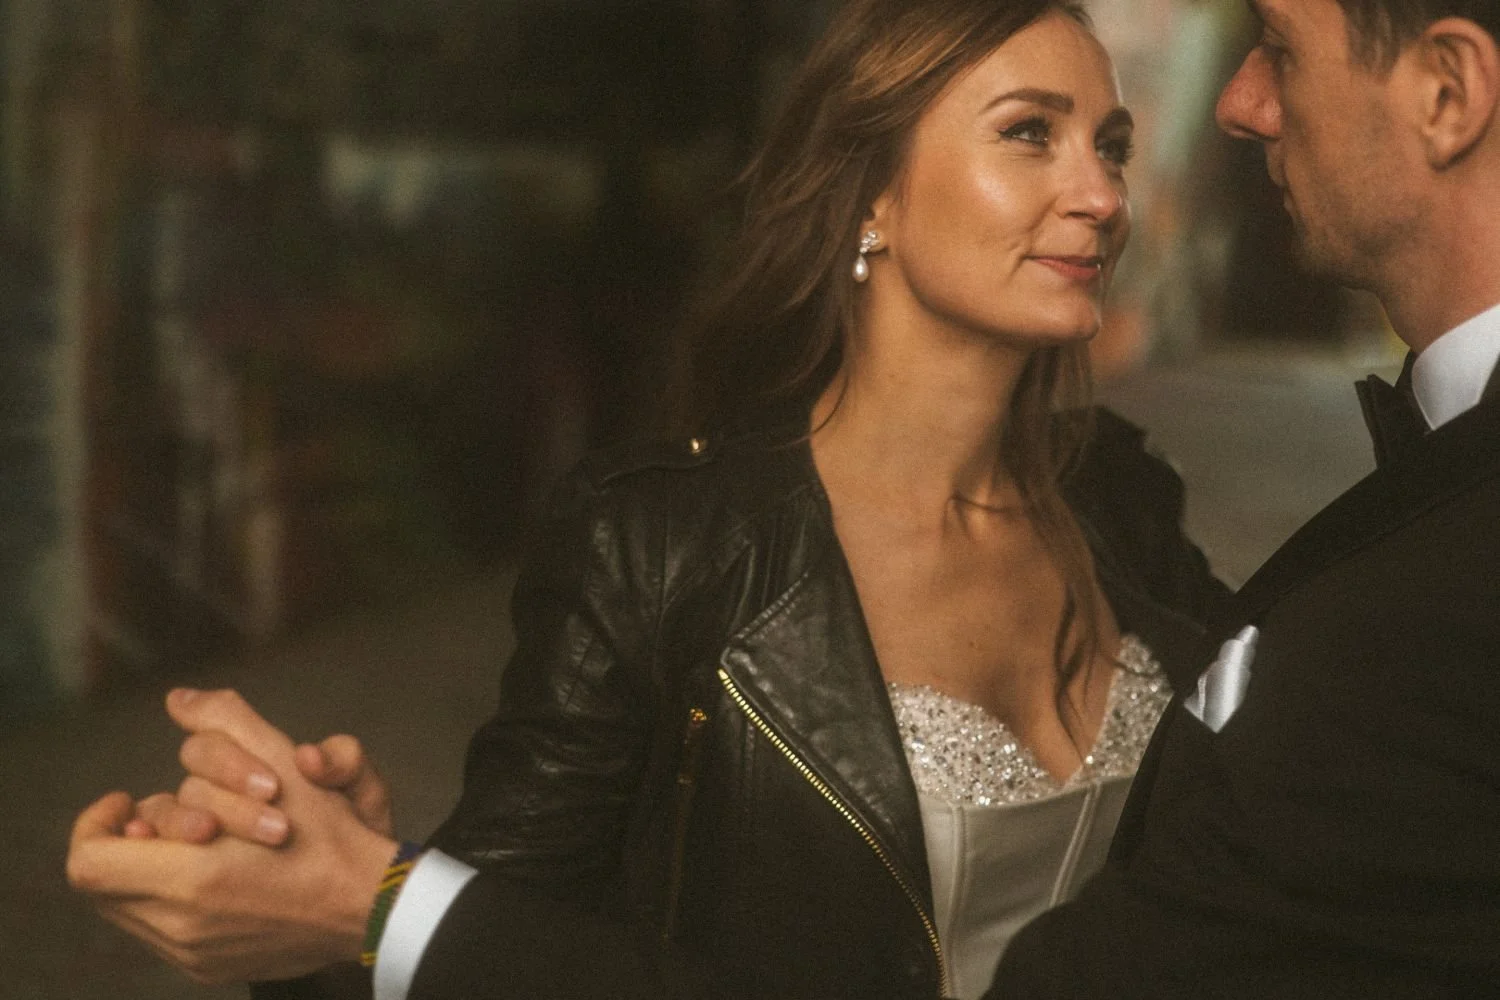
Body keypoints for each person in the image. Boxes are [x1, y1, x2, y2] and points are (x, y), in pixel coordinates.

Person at [65, 2, 1229, 997]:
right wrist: (331, 883)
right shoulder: (665, 543)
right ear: (872, 196)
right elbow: (492, 943)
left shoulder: (1121, 498)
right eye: (1031, 134)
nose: (1102, 195)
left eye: (1113, 146)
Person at [987, 1, 1500, 997]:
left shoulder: (1422, 627)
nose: (1242, 105)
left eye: (1281, 50)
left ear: (1448, 93)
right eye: (1026, 133)